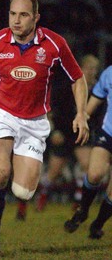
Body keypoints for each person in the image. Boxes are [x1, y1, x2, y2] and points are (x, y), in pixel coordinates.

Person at [0, 0, 89, 258]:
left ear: (36, 18)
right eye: (12, 14)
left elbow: (78, 78)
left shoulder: (54, 44)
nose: (16, 21)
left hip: (33, 121)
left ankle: (4, 196)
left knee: (23, 191)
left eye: (23, 15)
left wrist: (82, 114)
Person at [16, 54, 101, 219]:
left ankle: (78, 201)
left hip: (81, 132)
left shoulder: (97, 90)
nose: (92, 72)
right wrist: (54, 130)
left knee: (87, 165)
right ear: (81, 69)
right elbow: (51, 109)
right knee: (54, 173)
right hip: (63, 132)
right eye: (89, 68)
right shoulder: (66, 87)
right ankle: (39, 196)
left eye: (94, 69)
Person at [64, 64, 112, 239]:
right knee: (94, 174)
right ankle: (83, 210)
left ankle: (97, 224)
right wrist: (82, 117)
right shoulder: (109, 73)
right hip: (108, 133)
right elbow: (93, 103)